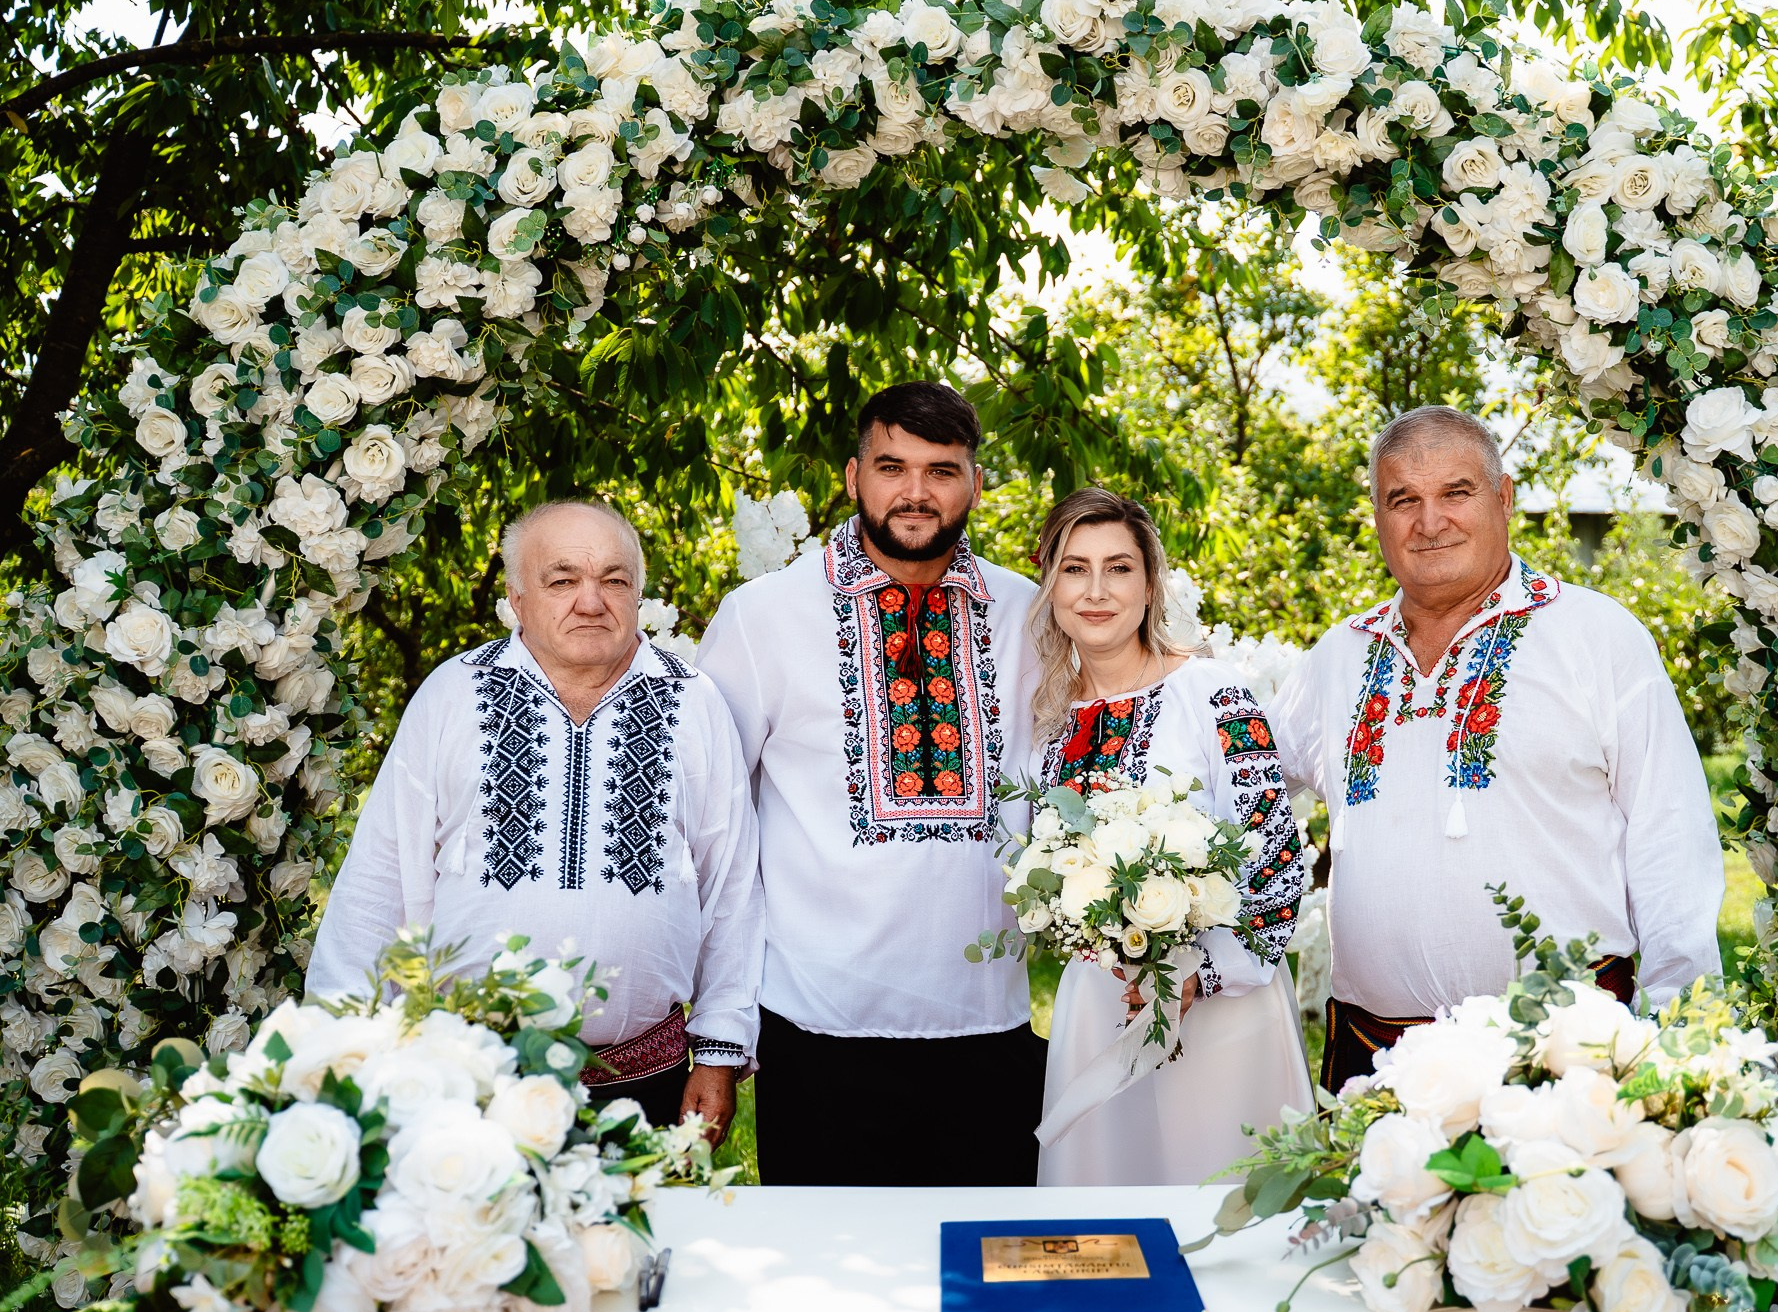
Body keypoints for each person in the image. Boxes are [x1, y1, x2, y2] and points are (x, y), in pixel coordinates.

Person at [1274, 406, 1723, 1094]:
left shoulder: (1596, 635)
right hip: (1376, 1063)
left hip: (1567, 1060)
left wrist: (1676, 1029)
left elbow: (1671, 833)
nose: (1430, 522)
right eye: (1403, 500)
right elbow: (1243, 788)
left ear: (1504, 497)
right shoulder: (1338, 656)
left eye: (1456, 492)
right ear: (1378, 517)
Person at [306, 501, 761, 1136]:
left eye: (614, 579)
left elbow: (732, 885)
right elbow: (382, 877)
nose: (591, 602)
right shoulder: (454, 694)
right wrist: (338, 1046)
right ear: (517, 598)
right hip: (468, 1083)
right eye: (562, 579)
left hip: (643, 1088)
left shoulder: (694, 704)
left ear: (638, 593)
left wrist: (718, 1050)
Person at [696, 381, 1044, 1186]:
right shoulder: (763, 615)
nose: (916, 491)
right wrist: (719, 1031)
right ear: (855, 477)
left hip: (990, 1026)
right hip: (817, 1032)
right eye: (892, 467)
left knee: (986, 1256)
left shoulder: (1030, 616)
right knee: (828, 1265)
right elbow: (712, 828)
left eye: (941, 470)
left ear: (975, 484)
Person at [1029, 489, 1313, 1186]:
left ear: (1150, 583)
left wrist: (1200, 974)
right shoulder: (1047, 724)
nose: (1097, 591)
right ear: (1051, 586)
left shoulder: (1212, 692)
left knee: (1221, 1204)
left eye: (1119, 568)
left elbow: (1276, 861)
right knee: (1104, 1218)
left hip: (1224, 1008)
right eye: (1075, 569)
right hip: (1102, 1005)